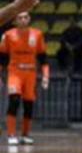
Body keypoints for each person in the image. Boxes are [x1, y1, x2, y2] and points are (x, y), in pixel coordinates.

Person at [0, 12, 48, 145]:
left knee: (29, 105)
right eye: (20, 18)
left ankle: (26, 135)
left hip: (30, 74)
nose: (23, 20)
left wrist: (45, 75)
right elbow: (2, 58)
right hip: (15, 73)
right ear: (15, 20)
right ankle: (11, 134)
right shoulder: (8, 35)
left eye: (25, 17)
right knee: (14, 100)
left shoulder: (37, 34)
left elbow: (43, 58)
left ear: (30, 19)